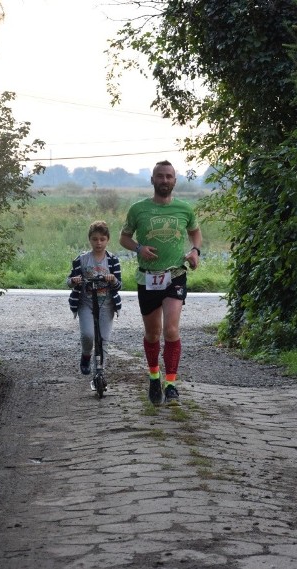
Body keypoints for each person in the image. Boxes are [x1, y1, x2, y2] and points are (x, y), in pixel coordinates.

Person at [120, 160, 202, 405]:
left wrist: (195, 250)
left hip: (175, 275)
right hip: (147, 277)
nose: (165, 180)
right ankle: (154, 377)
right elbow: (124, 237)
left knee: (171, 330)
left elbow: (195, 232)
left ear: (175, 181)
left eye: (169, 176)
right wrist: (138, 248)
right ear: (152, 180)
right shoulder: (138, 209)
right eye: (160, 176)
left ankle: (171, 383)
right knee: (153, 334)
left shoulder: (185, 209)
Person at [66, 221, 122, 382]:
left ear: (107, 240)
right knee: (88, 335)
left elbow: (119, 285)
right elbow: (69, 281)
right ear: (89, 240)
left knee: (104, 339)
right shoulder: (82, 260)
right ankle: (85, 355)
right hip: (86, 303)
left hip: (107, 304)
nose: (99, 243)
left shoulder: (112, 261)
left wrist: (112, 280)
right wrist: (74, 280)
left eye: (102, 239)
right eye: (95, 239)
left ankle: (100, 371)